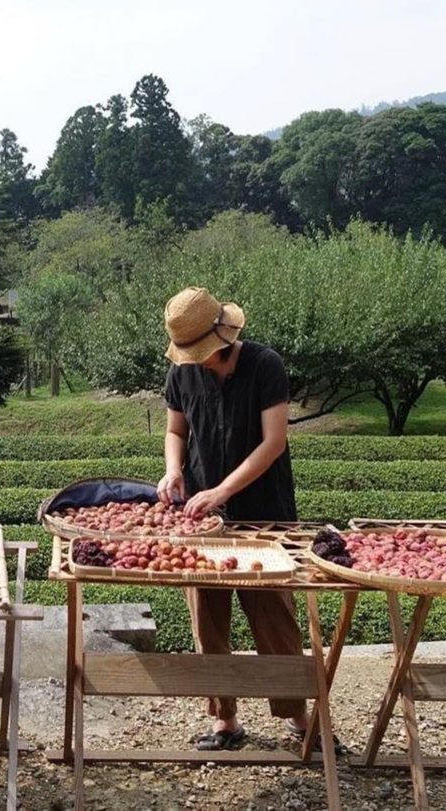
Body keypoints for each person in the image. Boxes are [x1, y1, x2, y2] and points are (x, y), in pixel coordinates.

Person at [157, 287, 337, 753]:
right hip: (201, 516)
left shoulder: (263, 365)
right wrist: (174, 469)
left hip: (265, 512)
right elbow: (177, 430)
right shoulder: (182, 373)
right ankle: (225, 720)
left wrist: (223, 490)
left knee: (274, 617)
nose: (196, 361)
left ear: (222, 336)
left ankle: (299, 719)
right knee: (208, 618)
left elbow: (273, 442)